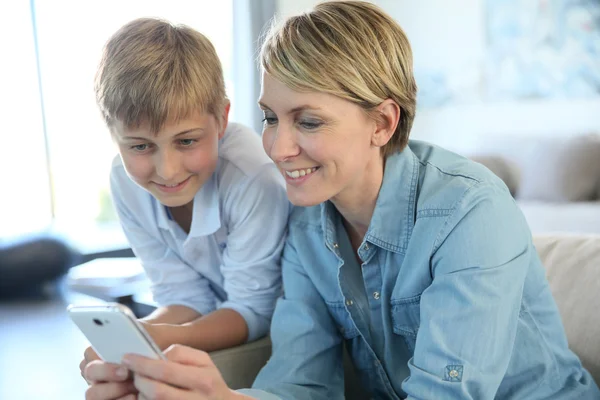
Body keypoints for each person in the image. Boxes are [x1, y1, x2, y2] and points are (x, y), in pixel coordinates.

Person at [83, 2, 600, 399]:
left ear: (382, 122)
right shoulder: (308, 228)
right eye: (270, 118)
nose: (278, 149)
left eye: (307, 121)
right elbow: (298, 385)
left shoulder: (470, 214)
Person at [78, 17, 289, 396]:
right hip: (222, 325)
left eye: (187, 141)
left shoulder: (254, 177)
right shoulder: (124, 182)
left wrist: (162, 337)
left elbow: (254, 312)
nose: (168, 170)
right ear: (114, 134)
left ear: (222, 119)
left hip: (279, 341)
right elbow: (183, 296)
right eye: (140, 146)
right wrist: (140, 337)